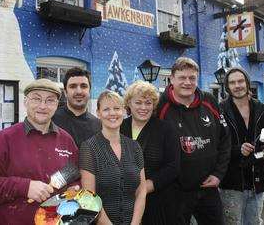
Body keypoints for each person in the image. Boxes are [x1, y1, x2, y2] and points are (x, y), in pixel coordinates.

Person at [0, 79, 79, 225]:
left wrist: (75, 188)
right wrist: (24, 187)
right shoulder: (4, 139)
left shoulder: (66, 140)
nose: (42, 106)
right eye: (36, 99)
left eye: (50, 100)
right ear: (25, 101)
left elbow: (75, 175)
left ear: (56, 105)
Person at [157, 57, 231, 225]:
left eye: (192, 78)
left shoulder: (209, 101)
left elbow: (225, 139)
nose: (187, 82)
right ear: (172, 79)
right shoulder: (160, 106)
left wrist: (218, 174)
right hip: (176, 191)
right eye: (182, 78)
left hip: (208, 187)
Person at [219, 67, 264, 225]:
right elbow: (216, 147)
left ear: (247, 83)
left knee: (254, 222)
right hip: (231, 182)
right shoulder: (220, 111)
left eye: (240, 81)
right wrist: (238, 150)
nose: (237, 85)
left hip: (257, 180)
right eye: (232, 82)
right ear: (227, 87)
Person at [80, 91, 146, 225]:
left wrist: (135, 223)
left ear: (123, 111)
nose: (112, 113)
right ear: (98, 113)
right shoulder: (89, 148)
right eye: (106, 109)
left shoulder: (134, 146)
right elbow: (89, 196)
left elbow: (141, 190)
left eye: (117, 108)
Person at [121, 80, 180, 224]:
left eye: (148, 103)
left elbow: (173, 166)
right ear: (129, 104)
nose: (143, 107)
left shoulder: (166, 130)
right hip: (123, 201)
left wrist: (146, 187)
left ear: (154, 105)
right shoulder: (120, 127)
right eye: (138, 102)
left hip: (157, 203)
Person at [53, 67, 101, 148]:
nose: (79, 91)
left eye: (83, 86)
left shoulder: (98, 125)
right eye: (73, 86)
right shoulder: (51, 120)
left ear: (89, 91)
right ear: (65, 92)